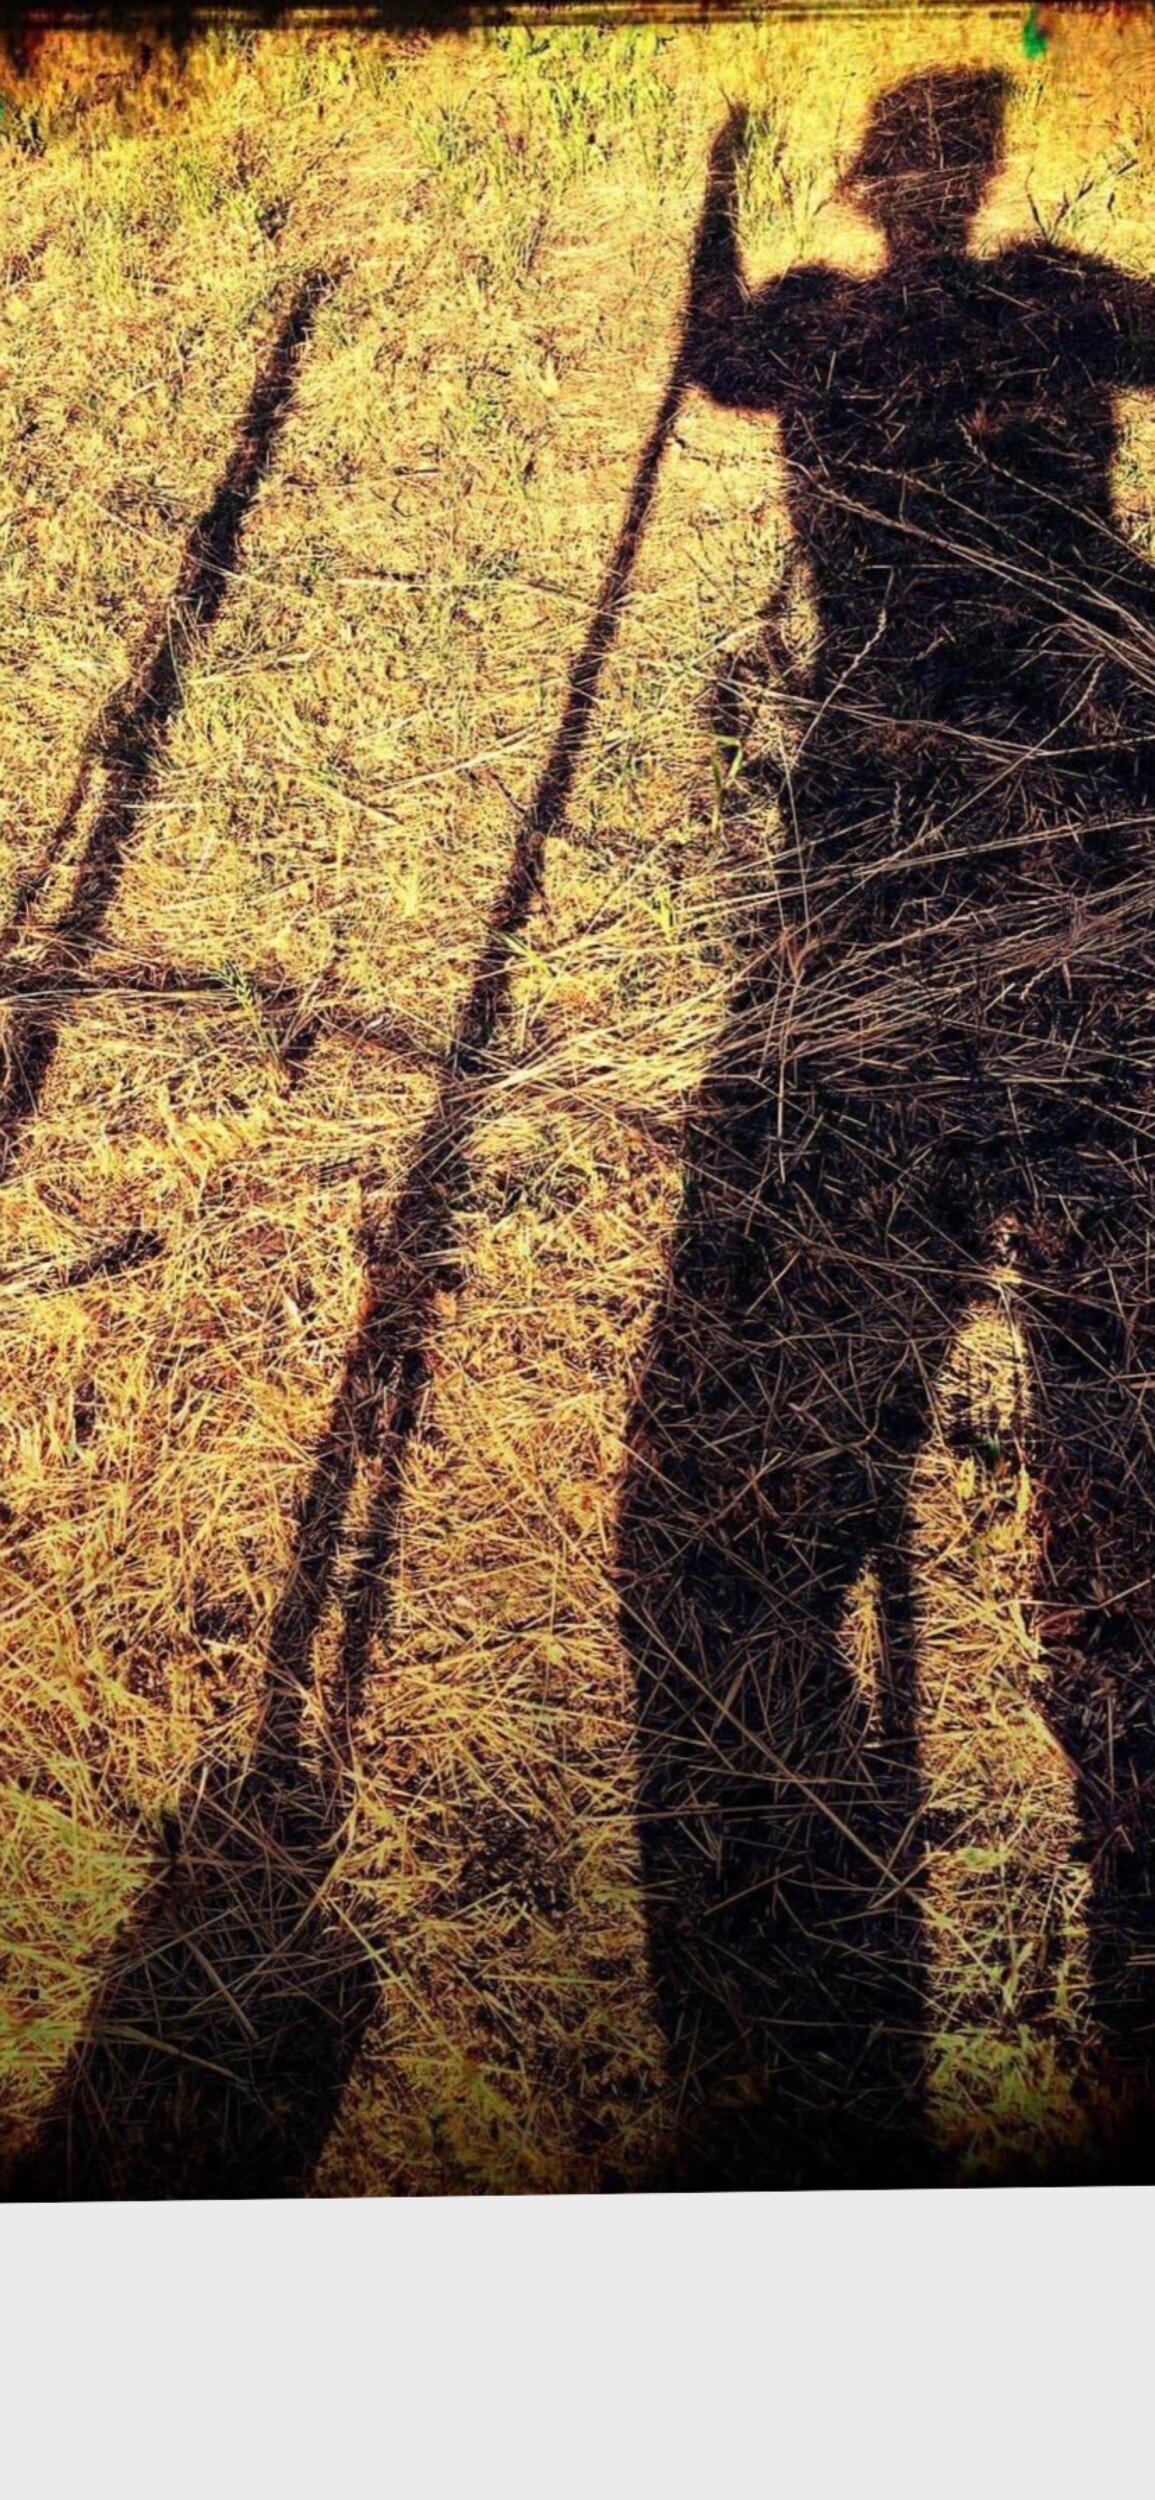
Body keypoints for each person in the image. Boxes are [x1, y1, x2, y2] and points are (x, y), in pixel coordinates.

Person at [617, 70, 1155, 2187]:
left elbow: (707, 359)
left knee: (925, 1141)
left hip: (918, 792)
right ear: (971, 182)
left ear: (872, 191)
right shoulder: (1051, 299)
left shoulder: (827, 329)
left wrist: (715, 210)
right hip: (1075, 775)